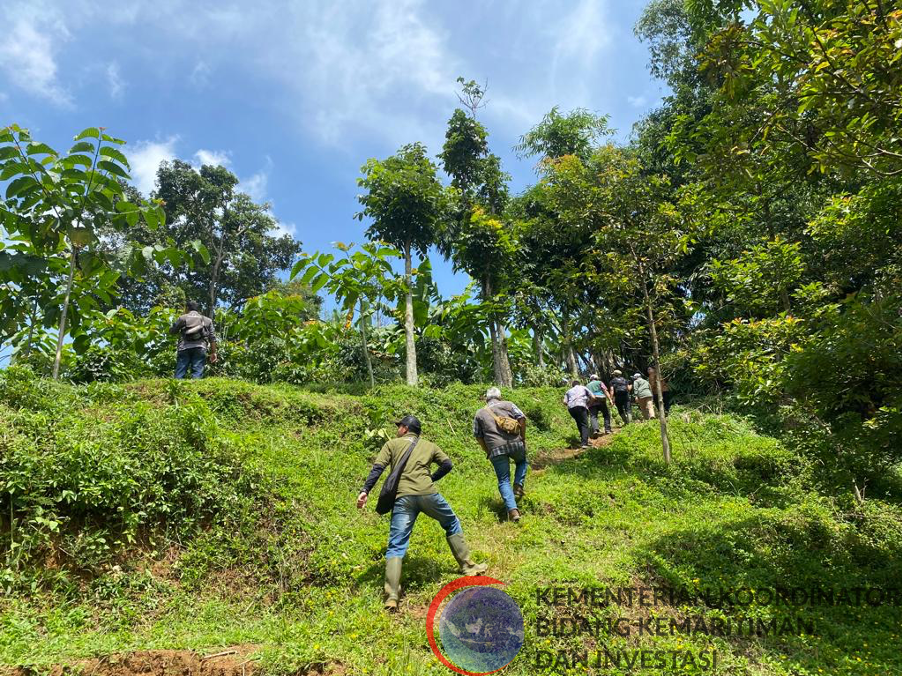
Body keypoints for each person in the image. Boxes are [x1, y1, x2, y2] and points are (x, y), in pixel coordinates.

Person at [357, 415, 487, 611]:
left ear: (405, 428)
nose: (397, 429)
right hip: (428, 494)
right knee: (451, 522)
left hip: (403, 498)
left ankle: (392, 595)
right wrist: (431, 478)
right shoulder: (429, 445)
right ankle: (468, 566)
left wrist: (365, 490)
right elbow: (448, 465)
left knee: (396, 544)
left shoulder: (391, 445)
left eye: (399, 426)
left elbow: (378, 468)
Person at [473, 387, 528, 523]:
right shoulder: (508, 405)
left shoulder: (480, 413)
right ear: (500, 397)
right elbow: (522, 418)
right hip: (515, 443)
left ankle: (513, 511)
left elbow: (478, 436)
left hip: (495, 449)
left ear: (486, 399)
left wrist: (488, 451)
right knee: (522, 462)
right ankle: (518, 484)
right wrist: (522, 437)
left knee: (503, 480)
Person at [169, 301, 217, 379]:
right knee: (197, 373)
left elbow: (172, 331)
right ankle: (195, 390)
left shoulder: (182, 318)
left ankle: (177, 389)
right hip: (200, 347)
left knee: (180, 372)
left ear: (187, 308)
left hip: (184, 347)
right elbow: (212, 338)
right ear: (198, 309)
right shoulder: (207, 320)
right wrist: (213, 352)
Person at [563, 379, 594, 448]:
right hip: (581, 406)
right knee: (584, 424)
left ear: (572, 385)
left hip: (571, 408)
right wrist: (588, 405)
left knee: (579, 422)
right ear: (579, 384)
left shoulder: (568, 391)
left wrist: (571, 405)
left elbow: (565, 402)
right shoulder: (583, 387)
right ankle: (584, 443)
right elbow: (593, 397)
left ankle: (583, 440)